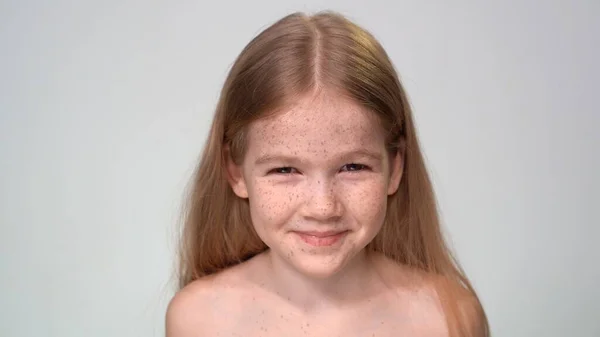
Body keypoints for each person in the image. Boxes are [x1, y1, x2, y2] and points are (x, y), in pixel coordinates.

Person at [166, 10, 489, 337]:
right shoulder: (198, 320)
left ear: (396, 167)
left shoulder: (448, 319)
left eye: (353, 167)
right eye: (285, 169)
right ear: (235, 171)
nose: (323, 207)